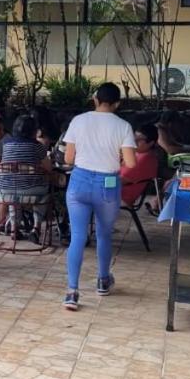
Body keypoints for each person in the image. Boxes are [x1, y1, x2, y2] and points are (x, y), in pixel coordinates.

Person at [62, 82, 137, 311]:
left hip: (79, 181)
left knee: (77, 237)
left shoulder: (79, 121)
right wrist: (116, 159)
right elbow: (132, 163)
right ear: (117, 104)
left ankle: (72, 292)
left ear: (95, 99)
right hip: (109, 182)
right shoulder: (123, 126)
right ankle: (103, 281)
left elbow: (68, 159)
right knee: (104, 235)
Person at [0, 115, 52, 238]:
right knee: (43, 190)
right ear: (33, 131)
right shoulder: (37, 146)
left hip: (4, 189)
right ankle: (36, 228)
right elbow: (48, 168)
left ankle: (14, 228)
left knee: (14, 191)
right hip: (30, 190)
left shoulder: (7, 145)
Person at [122, 123, 162, 207]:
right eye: (134, 137)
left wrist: (99, 182)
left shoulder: (146, 159)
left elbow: (118, 181)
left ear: (150, 143)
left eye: (139, 139)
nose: (134, 141)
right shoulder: (137, 153)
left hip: (118, 197)